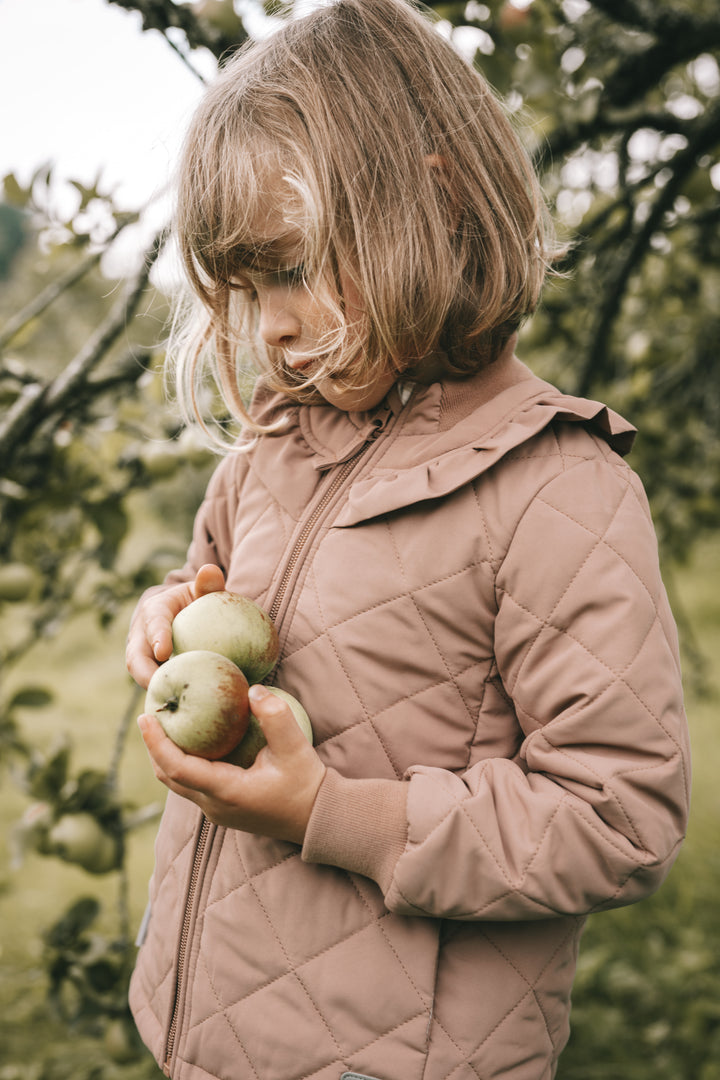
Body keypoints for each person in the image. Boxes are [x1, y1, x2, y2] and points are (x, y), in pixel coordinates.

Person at [125, 1, 691, 1077]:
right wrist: (168, 620)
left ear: (428, 203)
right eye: (244, 289)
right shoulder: (274, 451)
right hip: (204, 1033)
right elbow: (210, 587)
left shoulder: (558, 491)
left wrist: (332, 813)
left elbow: (619, 813)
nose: (271, 328)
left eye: (288, 270)